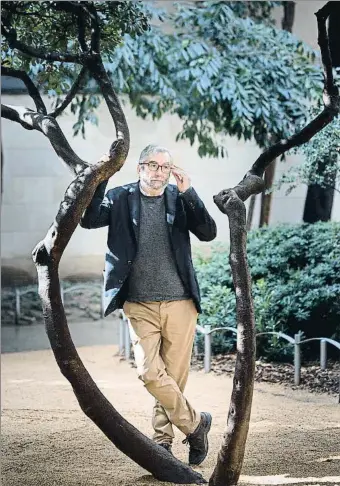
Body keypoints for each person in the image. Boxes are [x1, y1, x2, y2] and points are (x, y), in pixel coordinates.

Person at [80, 144, 217, 465]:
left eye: (164, 167)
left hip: (181, 302)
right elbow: (88, 220)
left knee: (173, 377)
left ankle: (162, 444)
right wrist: (101, 177)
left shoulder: (178, 198)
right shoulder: (119, 197)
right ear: (139, 168)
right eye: (152, 165)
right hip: (139, 304)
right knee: (149, 373)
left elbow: (208, 233)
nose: (158, 172)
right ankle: (196, 425)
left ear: (171, 171)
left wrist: (190, 193)